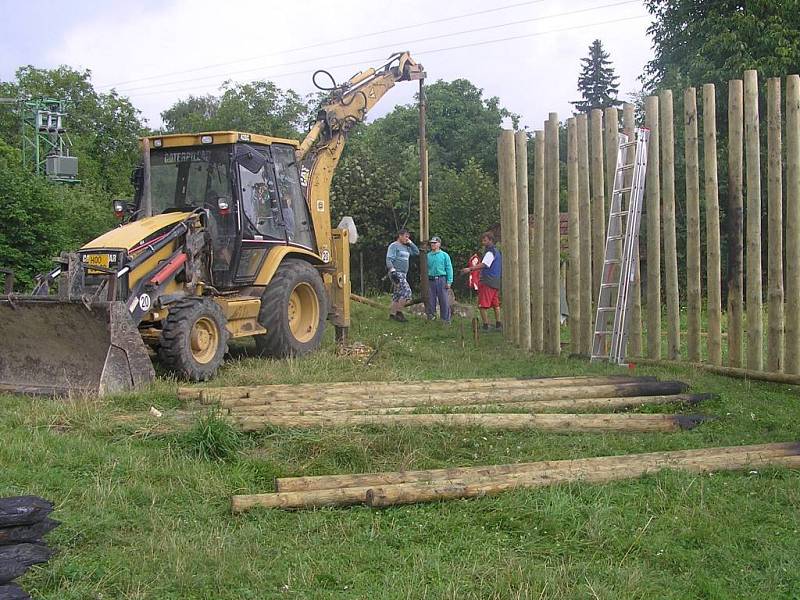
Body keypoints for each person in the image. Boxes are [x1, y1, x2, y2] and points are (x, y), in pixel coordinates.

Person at [461, 232, 502, 331]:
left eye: (485, 240)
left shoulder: (490, 252)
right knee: (495, 304)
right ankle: (498, 324)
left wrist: (470, 269)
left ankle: (486, 325)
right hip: (496, 281)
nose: (483, 242)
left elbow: (484, 264)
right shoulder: (497, 251)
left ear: (491, 240)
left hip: (488, 281)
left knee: (482, 305)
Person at [386, 228, 419, 322]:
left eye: (408, 237)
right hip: (396, 272)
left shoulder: (407, 247)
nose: (407, 239)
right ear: (400, 236)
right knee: (407, 292)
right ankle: (399, 313)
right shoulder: (394, 246)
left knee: (397, 295)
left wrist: (410, 243)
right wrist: (392, 271)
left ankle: (392, 315)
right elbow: (389, 259)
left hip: (404, 273)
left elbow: (416, 252)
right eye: (405, 236)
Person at [425, 236, 454, 323]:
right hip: (430, 280)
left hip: (441, 279)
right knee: (431, 299)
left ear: (439, 244)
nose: (433, 244)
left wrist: (449, 281)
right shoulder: (428, 255)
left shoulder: (444, 255)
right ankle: (431, 317)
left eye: (435, 243)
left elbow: (449, 268)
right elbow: (425, 269)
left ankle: (445, 319)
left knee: (444, 300)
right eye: (432, 243)